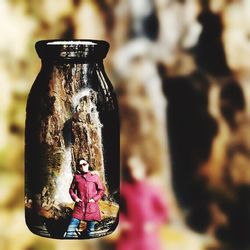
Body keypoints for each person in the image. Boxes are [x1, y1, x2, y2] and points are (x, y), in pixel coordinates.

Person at [64, 158, 105, 238]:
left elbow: (101, 190)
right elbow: (71, 189)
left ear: (88, 164)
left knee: (90, 233)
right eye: (80, 165)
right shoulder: (77, 177)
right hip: (79, 207)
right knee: (70, 231)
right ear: (78, 167)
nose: (82, 166)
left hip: (91, 207)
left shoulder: (95, 177)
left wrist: (94, 199)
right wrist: (75, 198)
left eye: (84, 164)